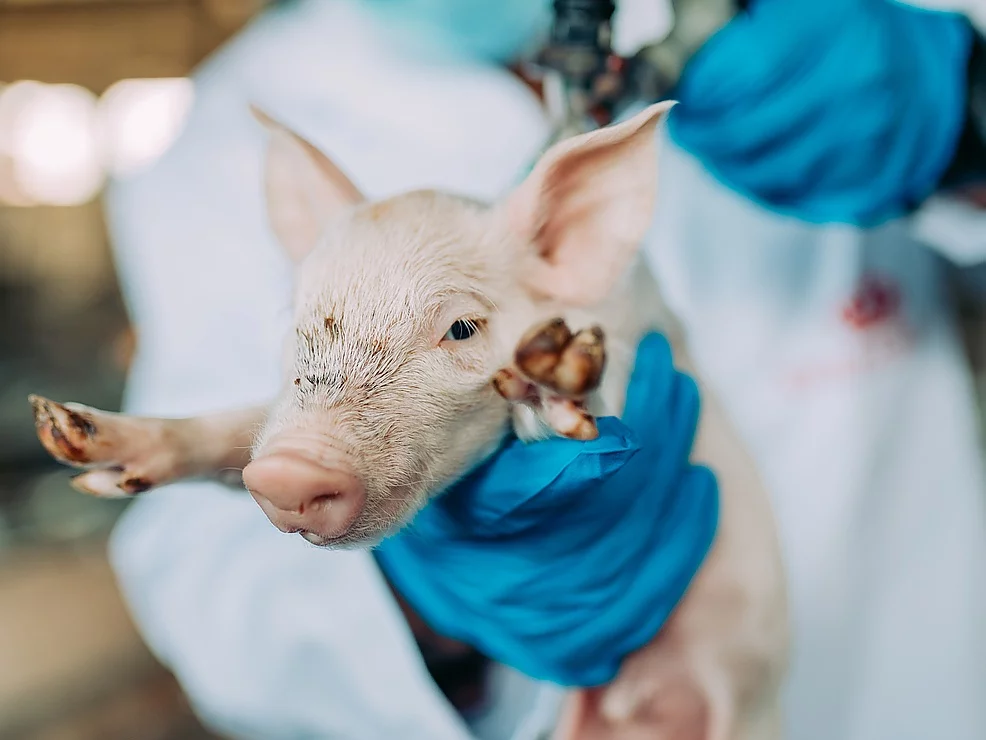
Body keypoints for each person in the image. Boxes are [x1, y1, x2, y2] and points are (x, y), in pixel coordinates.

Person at [103, 1, 986, 739]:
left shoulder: (823, 21)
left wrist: (967, 126)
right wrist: (434, 604)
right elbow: (206, 585)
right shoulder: (227, 131)